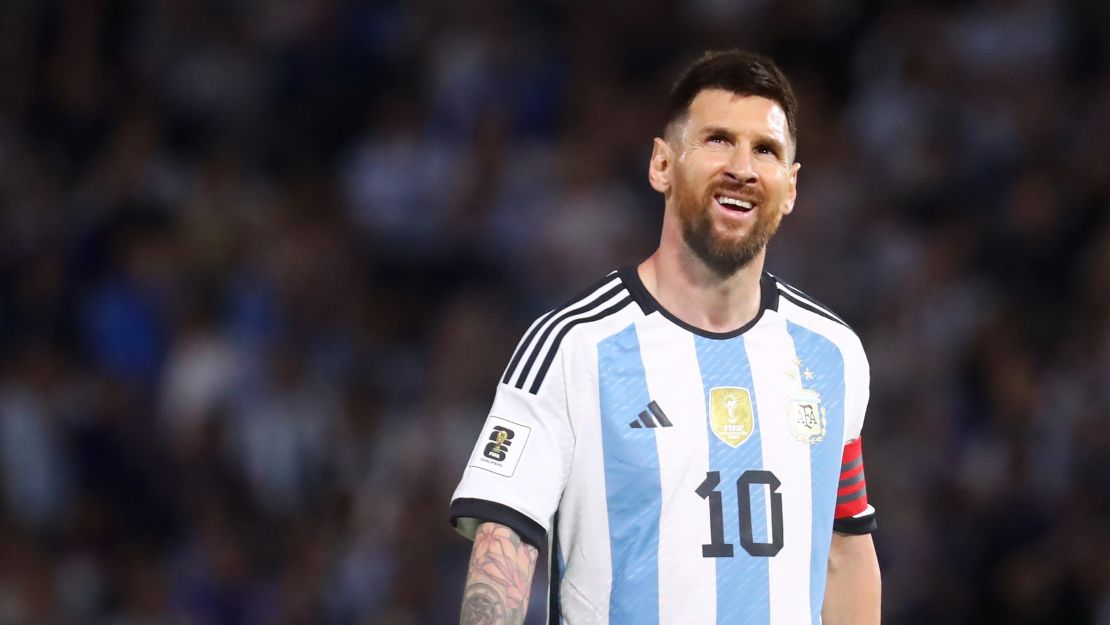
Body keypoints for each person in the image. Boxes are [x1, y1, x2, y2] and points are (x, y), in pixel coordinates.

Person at [449, 49, 881, 625]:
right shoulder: (574, 346)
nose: (742, 168)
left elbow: (844, 553)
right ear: (661, 165)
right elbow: (504, 544)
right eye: (717, 140)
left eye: (766, 150)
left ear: (792, 187)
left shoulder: (832, 354)